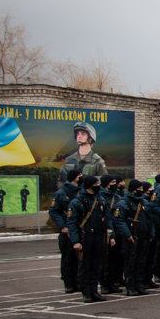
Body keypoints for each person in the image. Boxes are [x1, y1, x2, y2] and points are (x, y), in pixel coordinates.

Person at [67, 175, 115, 303]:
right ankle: (86, 292)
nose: (98, 186)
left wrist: (111, 236)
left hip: (99, 236)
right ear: (89, 185)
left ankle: (94, 290)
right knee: (86, 265)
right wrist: (76, 241)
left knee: (97, 264)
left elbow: (107, 218)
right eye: (96, 184)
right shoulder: (78, 202)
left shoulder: (100, 199)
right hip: (86, 236)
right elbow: (72, 223)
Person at [48, 168, 82, 293]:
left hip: (78, 229)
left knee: (78, 258)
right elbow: (54, 211)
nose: (81, 177)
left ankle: (77, 281)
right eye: (79, 175)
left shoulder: (80, 191)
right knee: (68, 258)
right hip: (67, 230)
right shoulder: (61, 193)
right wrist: (63, 226)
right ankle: (68, 283)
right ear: (74, 177)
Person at [58, 121, 108, 187]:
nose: (79, 136)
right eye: (77, 134)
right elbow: (61, 181)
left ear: (90, 138)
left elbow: (105, 182)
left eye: (83, 134)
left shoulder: (98, 161)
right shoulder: (69, 159)